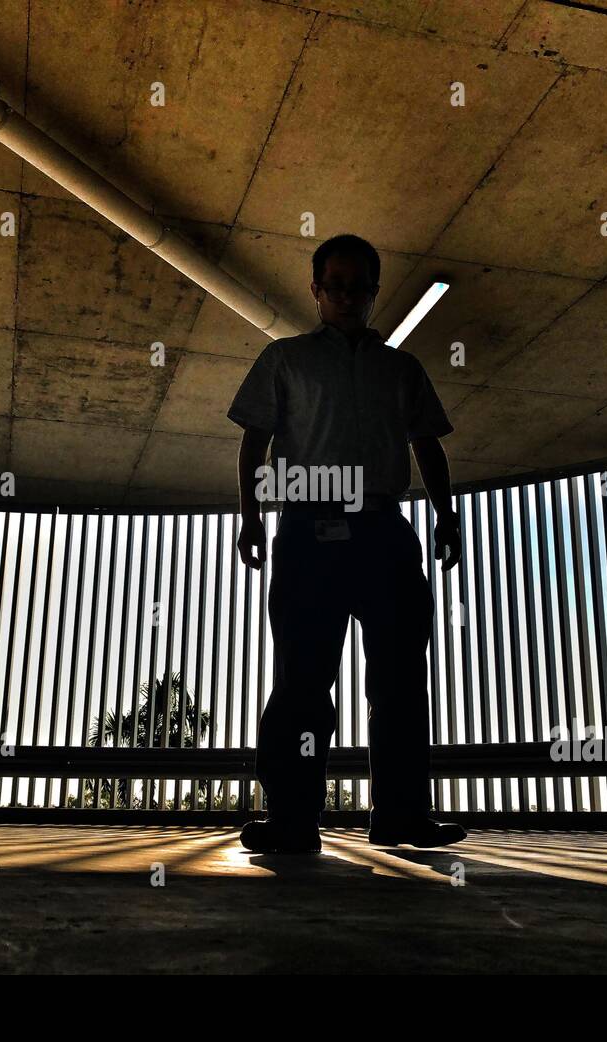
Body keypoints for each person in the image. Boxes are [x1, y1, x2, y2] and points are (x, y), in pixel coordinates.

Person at [227, 233, 467, 853]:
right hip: (309, 532)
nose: (345, 296)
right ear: (314, 289)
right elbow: (254, 441)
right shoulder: (285, 360)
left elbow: (427, 445)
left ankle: (401, 814)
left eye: (357, 285)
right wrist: (251, 517)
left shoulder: (401, 368)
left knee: (400, 680)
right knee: (303, 679)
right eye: (333, 284)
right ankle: (292, 818)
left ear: (373, 291)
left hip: (384, 531)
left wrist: (447, 517)